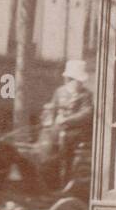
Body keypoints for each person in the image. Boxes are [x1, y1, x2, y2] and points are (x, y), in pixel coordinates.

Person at [39, 60, 93, 188]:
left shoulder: (86, 95)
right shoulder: (60, 92)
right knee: (46, 140)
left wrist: (67, 120)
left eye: (80, 81)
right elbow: (53, 107)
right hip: (57, 128)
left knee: (65, 143)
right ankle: (48, 174)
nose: (78, 83)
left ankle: (65, 178)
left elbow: (86, 113)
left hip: (76, 130)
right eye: (74, 80)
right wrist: (49, 118)